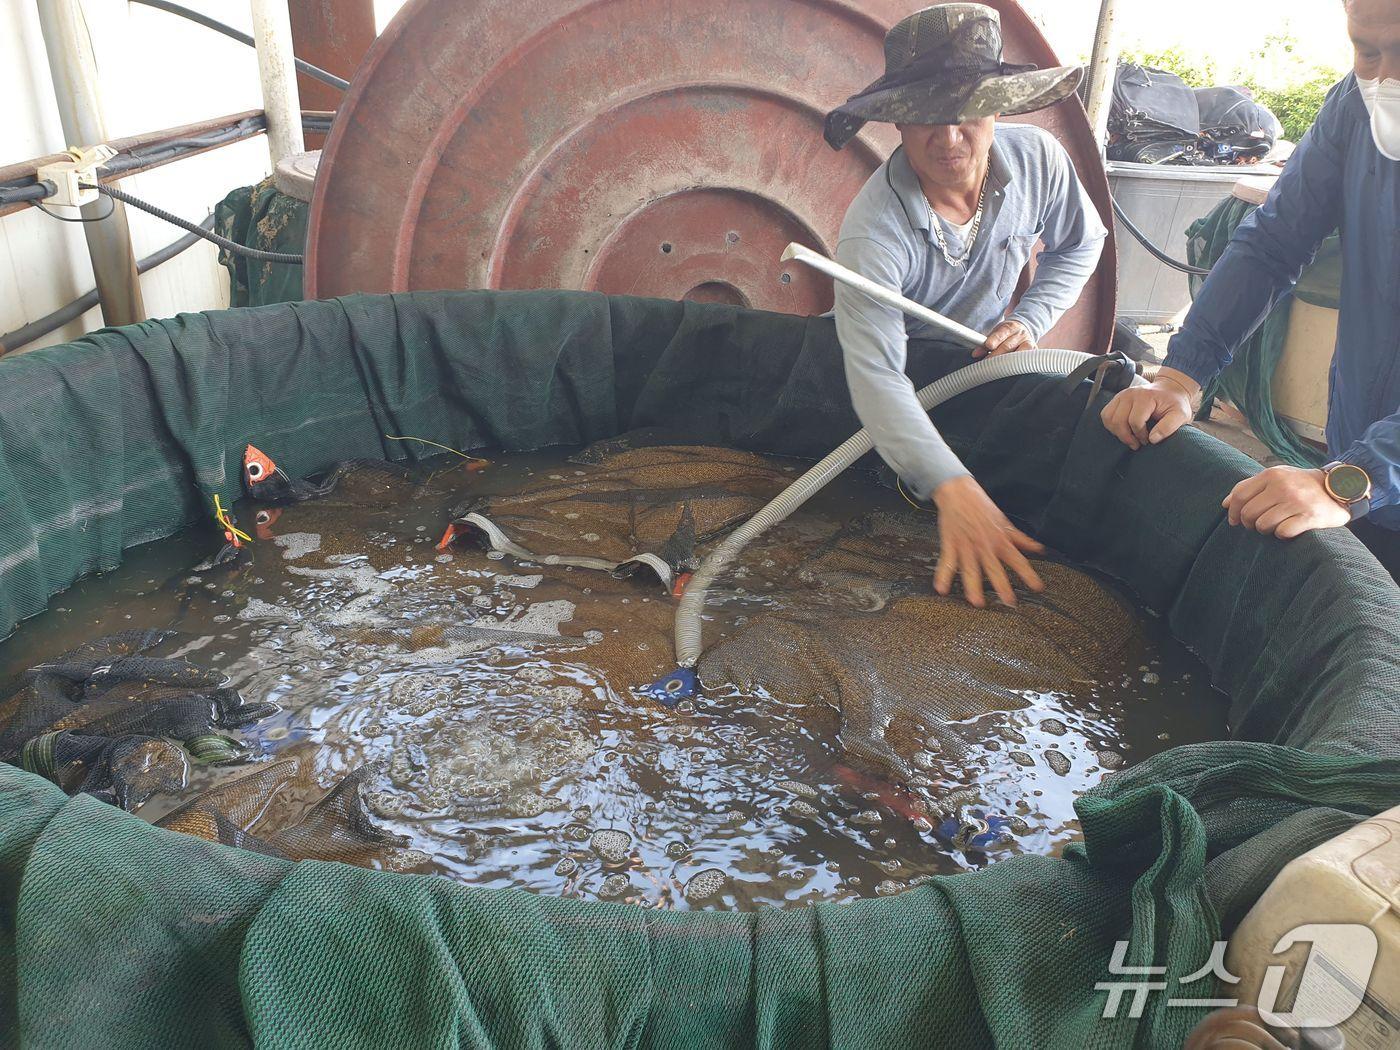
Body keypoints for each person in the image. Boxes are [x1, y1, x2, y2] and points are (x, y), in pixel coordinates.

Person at [1101, 0, 1400, 584]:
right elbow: (1273, 243)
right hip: (1359, 450)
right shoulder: (1356, 106)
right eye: (1368, 51)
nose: (1386, 77)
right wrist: (1181, 376)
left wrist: (1353, 480)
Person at [825, 3, 1107, 608]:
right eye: (925, 116)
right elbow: (876, 377)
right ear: (896, 122)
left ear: (997, 106)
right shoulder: (873, 235)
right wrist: (952, 486)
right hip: (880, 381)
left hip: (979, 364)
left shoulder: (1039, 161)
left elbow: (1083, 244)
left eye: (966, 112)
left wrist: (1027, 321)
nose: (948, 138)